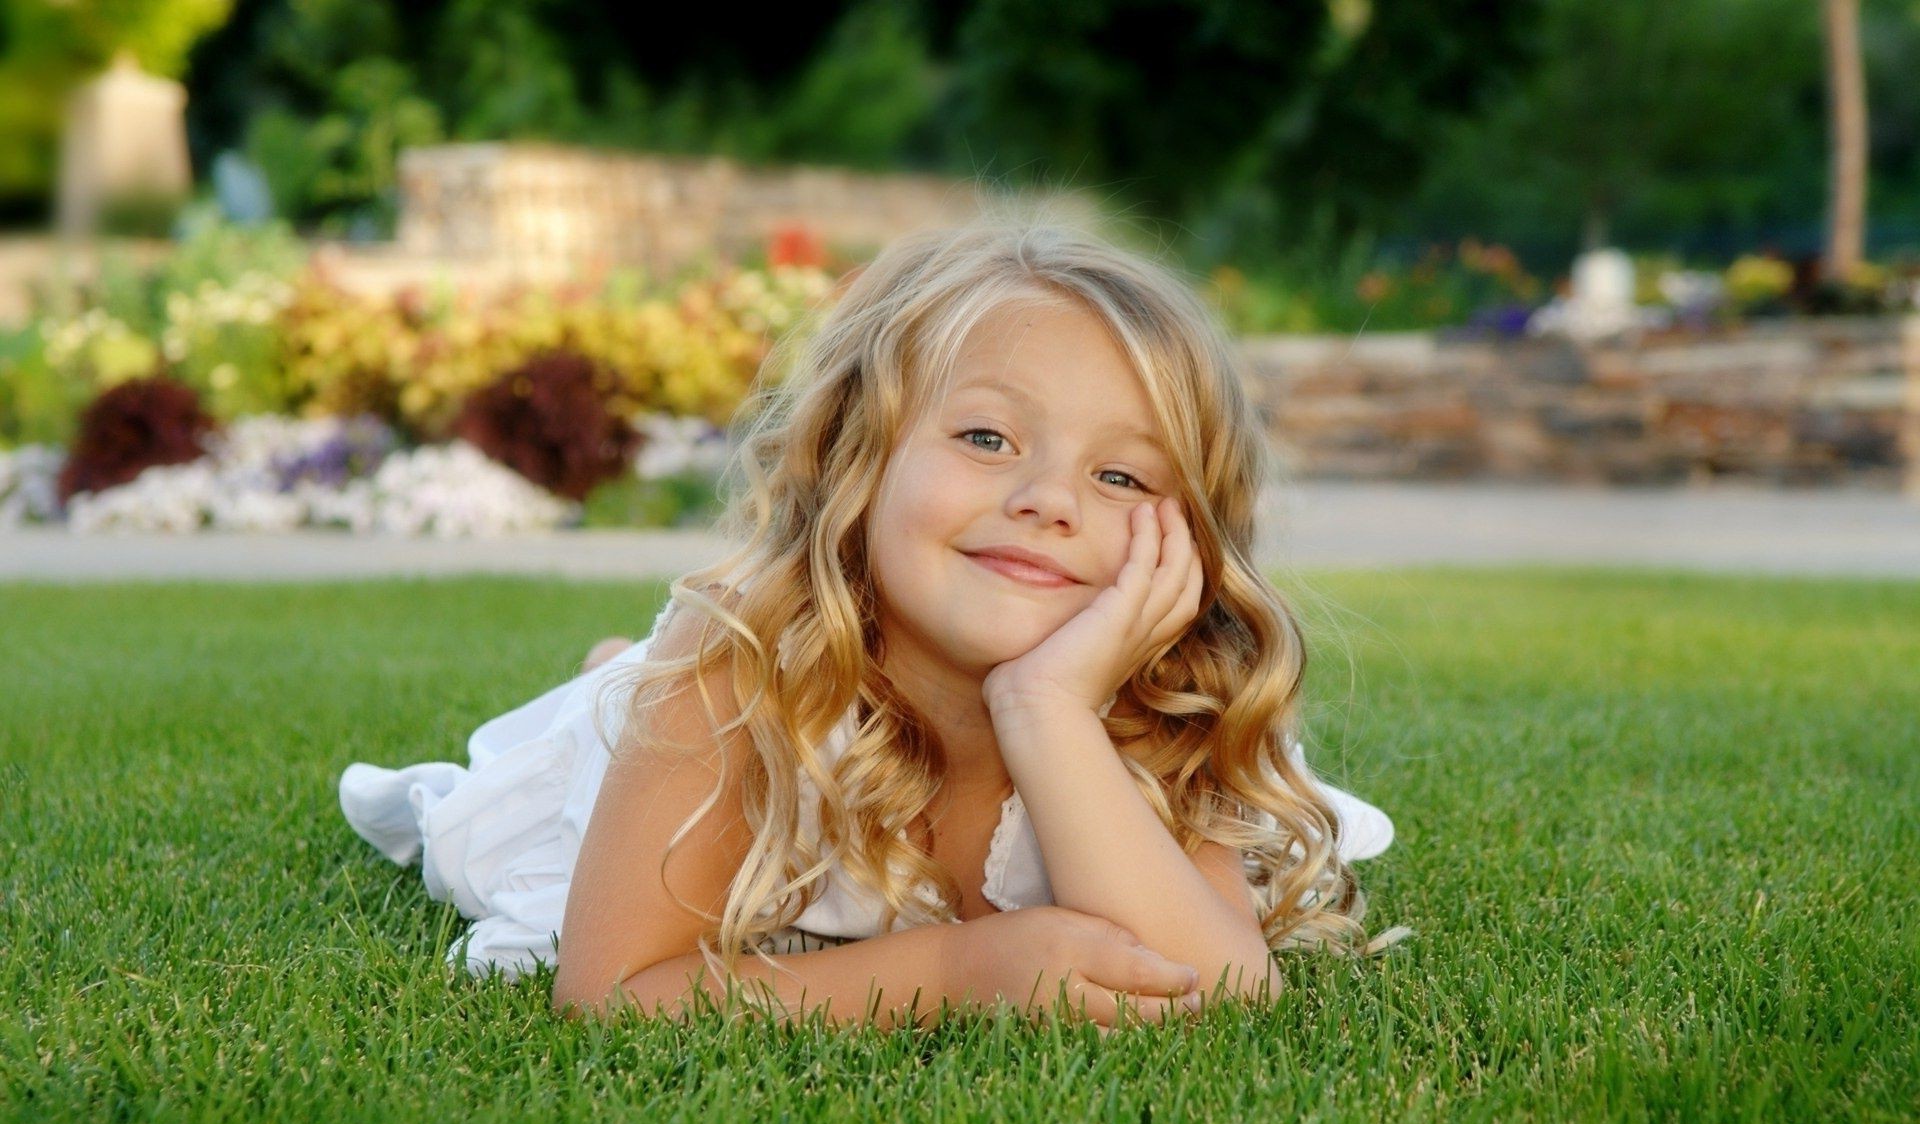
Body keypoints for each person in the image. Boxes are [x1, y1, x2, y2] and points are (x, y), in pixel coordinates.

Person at [338, 205, 1408, 1036]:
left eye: (1123, 474)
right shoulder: (730, 672)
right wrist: (962, 971)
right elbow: (612, 990)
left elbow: (1219, 988)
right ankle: (614, 675)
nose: (1050, 499)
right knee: (616, 712)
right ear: (861, 455)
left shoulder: (1165, 709)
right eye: (988, 438)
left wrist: (1045, 707)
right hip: (754, 686)